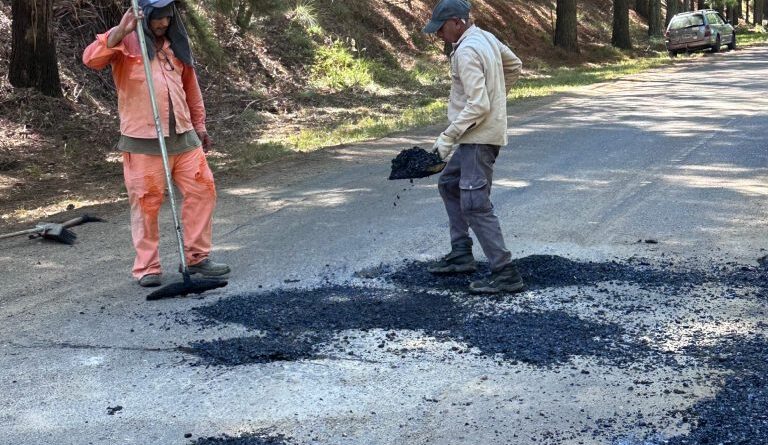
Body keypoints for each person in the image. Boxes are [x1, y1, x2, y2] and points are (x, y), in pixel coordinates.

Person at [83, 0, 229, 288]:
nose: (163, 23)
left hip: (184, 136)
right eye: (157, 18)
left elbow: (191, 87)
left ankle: (197, 258)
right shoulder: (126, 41)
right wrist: (120, 31)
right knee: (146, 203)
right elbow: (91, 59)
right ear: (145, 15)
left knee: (203, 191)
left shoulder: (176, 43)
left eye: (167, 17)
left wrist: (199, 125)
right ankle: (147, 267)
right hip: (143, 141)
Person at [422, 0, 525, 294]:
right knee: (449, 183)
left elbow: (478, 105)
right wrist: (496, 96)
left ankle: (505, 272)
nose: (438, 34)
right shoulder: (485, 37)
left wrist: (447, 137)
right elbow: (514, 65)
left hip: (478, 139)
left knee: (474, 203)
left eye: (441, 28)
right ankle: (461, 253)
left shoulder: (467, 51)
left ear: (457, 22)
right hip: (476, 135)